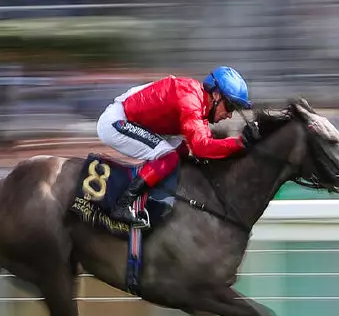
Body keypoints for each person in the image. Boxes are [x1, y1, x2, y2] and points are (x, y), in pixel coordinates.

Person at [96, 66, 258, 228]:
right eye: (230, 107)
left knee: (183, 152)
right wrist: (239, 143)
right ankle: (122, 205)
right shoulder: (191, 101)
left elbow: (201, 146)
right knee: (169, 158)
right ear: (215, 95)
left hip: (138, 121)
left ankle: (153, 200)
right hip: (117, 121)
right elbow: (201, 147)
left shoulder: (199, 103)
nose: (229, 115)